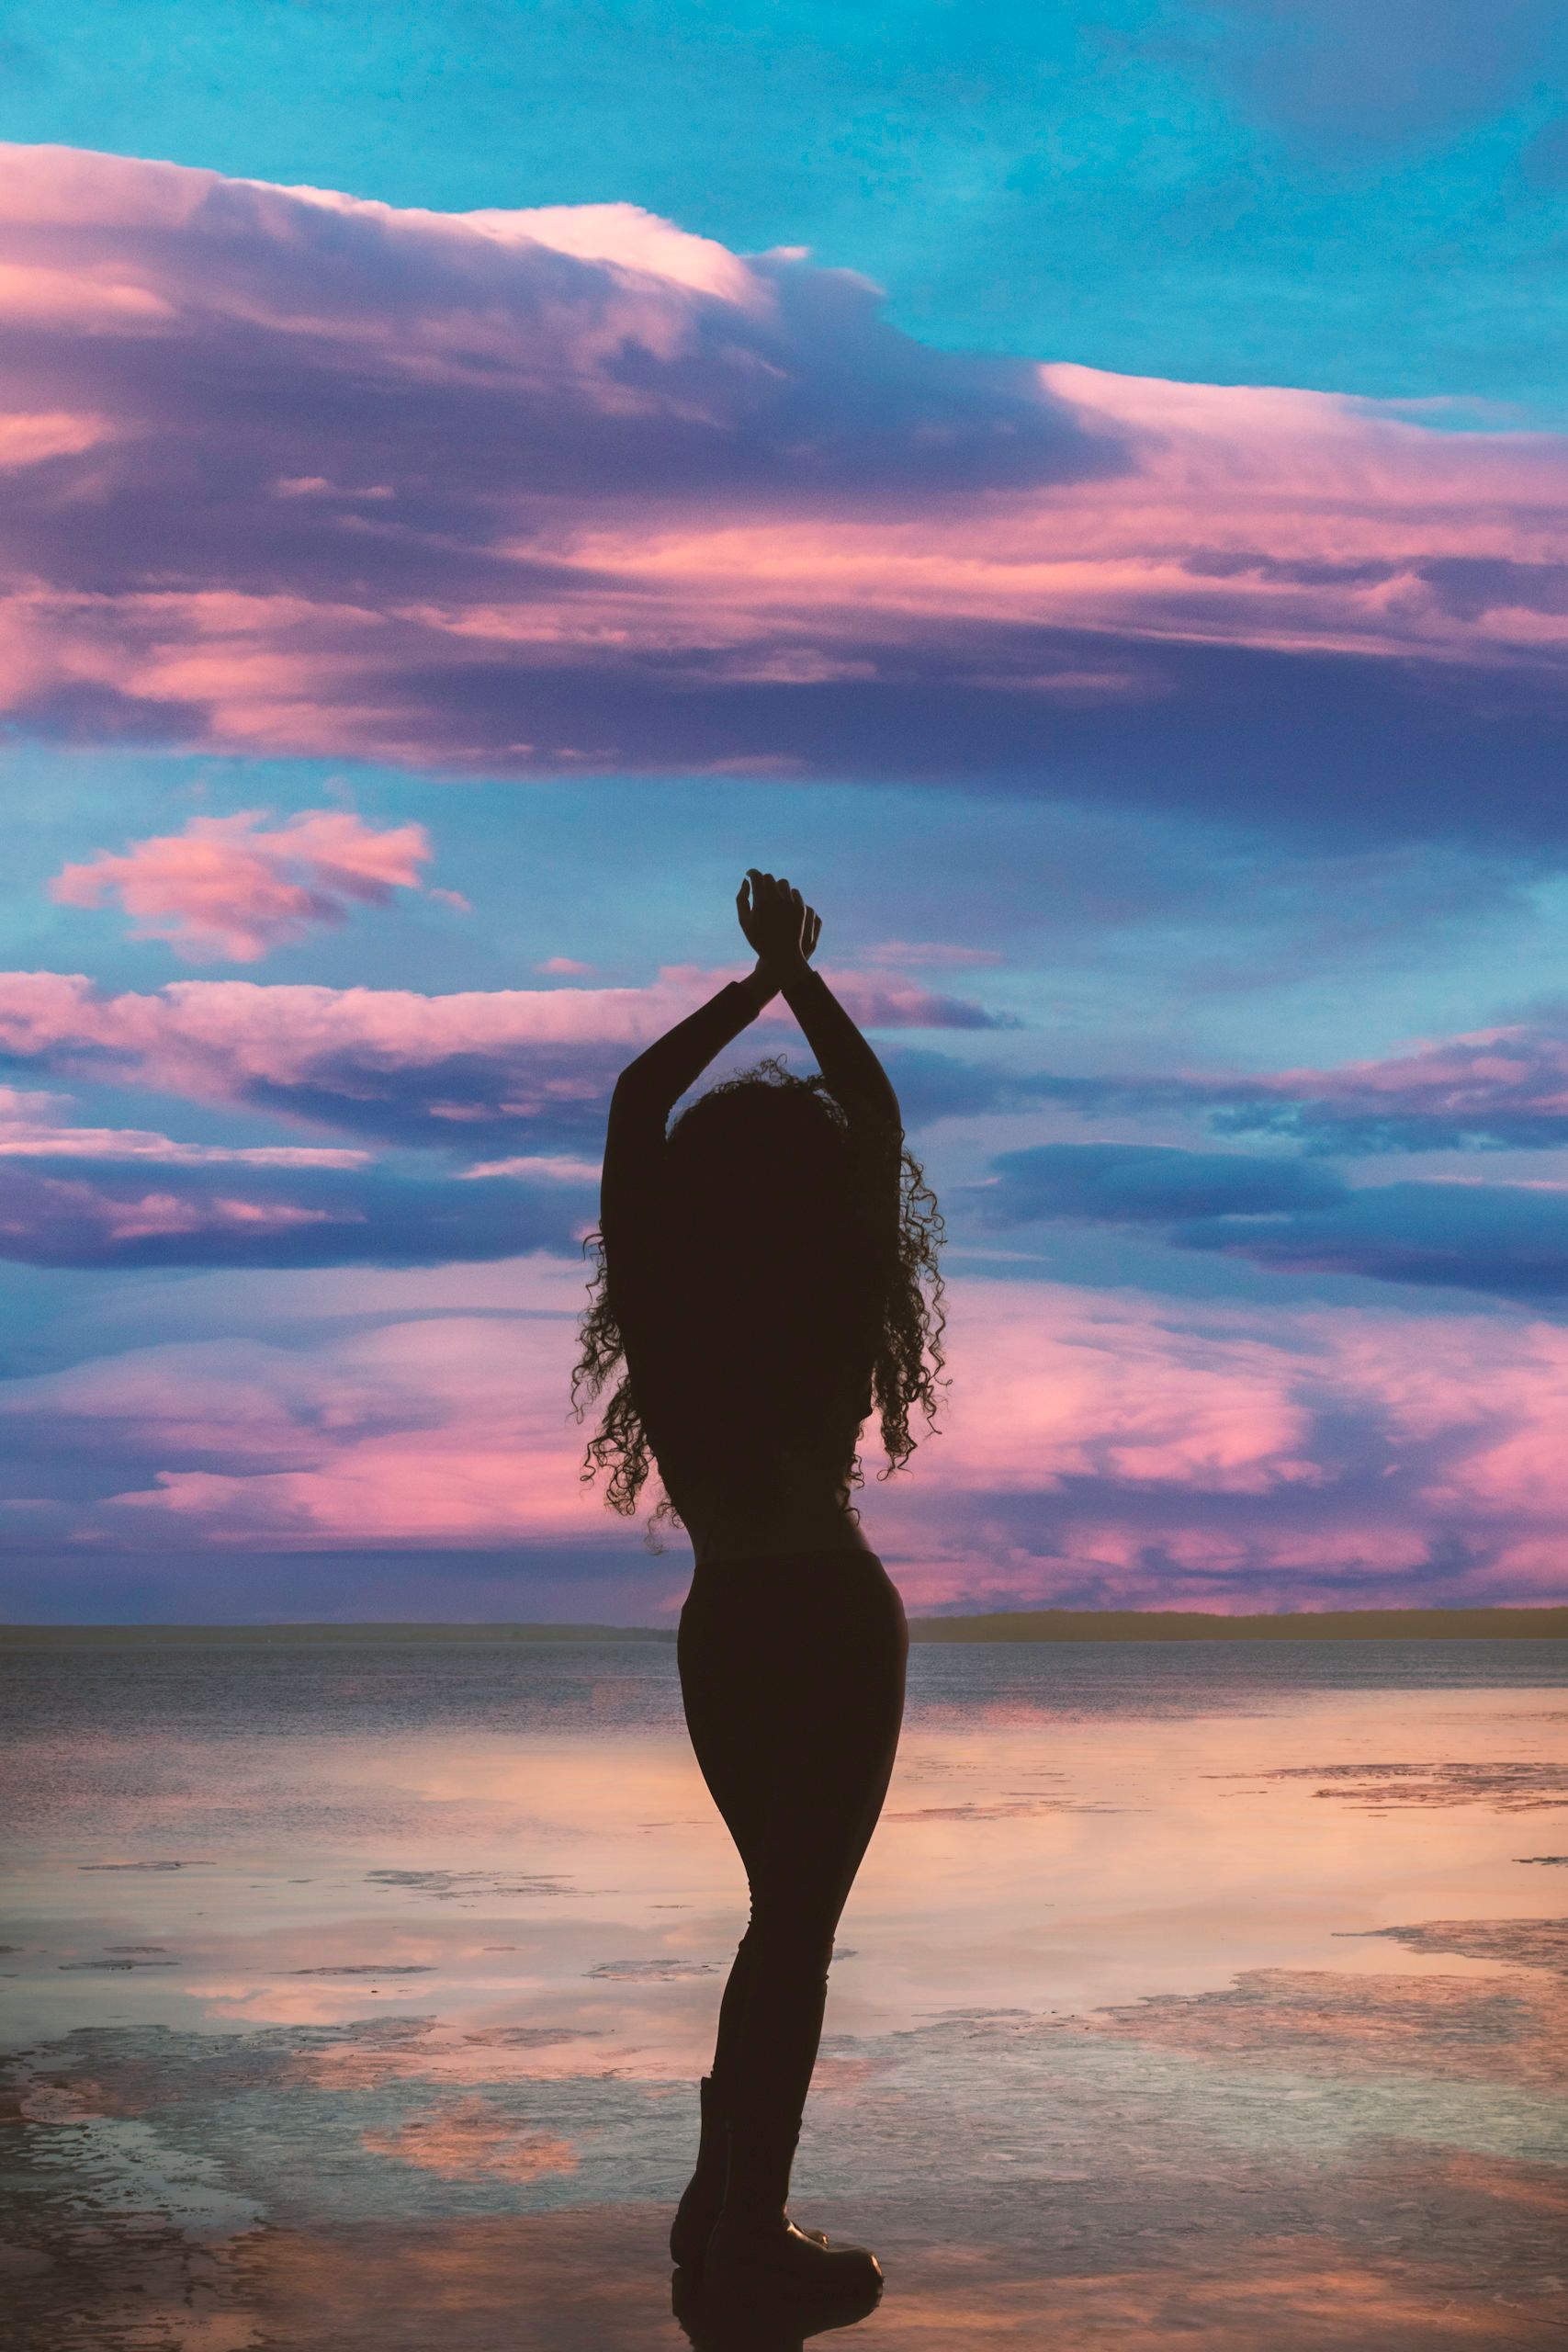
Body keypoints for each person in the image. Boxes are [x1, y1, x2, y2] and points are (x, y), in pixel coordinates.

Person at [571, 871, 946, 2301]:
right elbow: (879, 1123)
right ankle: (744, 2231)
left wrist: (752, 984)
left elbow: (633, 1107)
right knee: (795, 1924)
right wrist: (799, 977)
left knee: (776, 1916)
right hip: (833, 1621)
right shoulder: (832, 1298)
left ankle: (720, 2202)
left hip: (725, 1621)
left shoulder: (672, 1320)